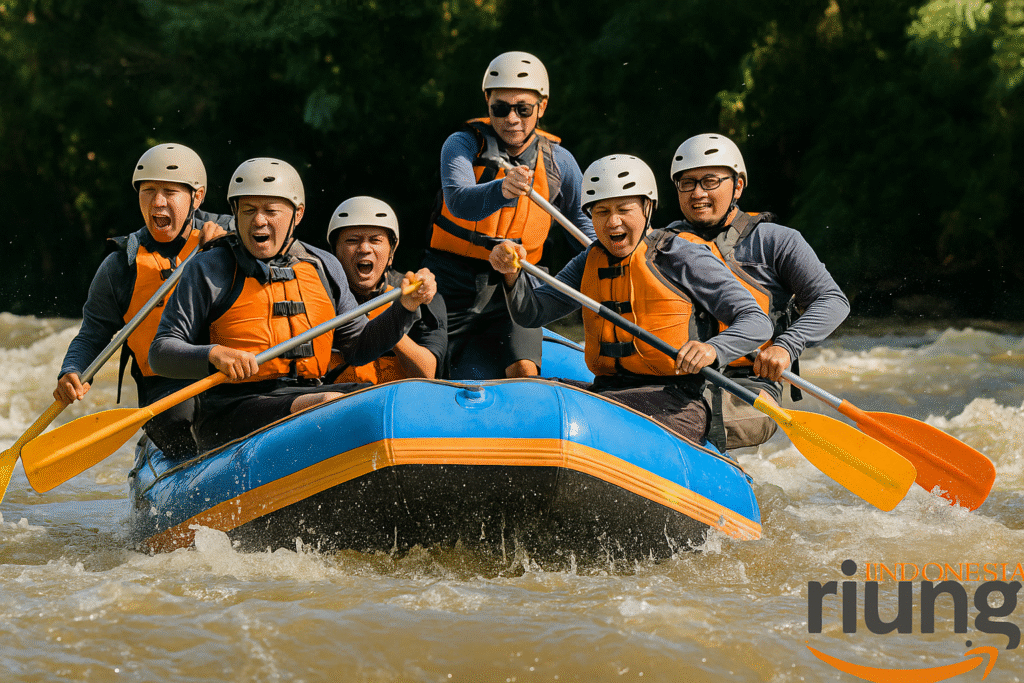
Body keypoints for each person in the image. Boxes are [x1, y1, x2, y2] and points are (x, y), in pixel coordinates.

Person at [149, 158, 436, 451]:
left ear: (297, 215)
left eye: (271, 211)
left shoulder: (324, 266)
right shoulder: (210, 268)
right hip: (234, 408)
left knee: (387, 400)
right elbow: (160, 352)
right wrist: (214, 355)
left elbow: (361, 347)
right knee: (330, 404)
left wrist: (405, 308)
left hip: (311, 393)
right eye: (248, 210)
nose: (259, 220)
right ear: (235, 213)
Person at [488, 154, 773, 445]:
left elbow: (757, 322)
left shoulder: (680, 256)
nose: (613, 222)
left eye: (624, 209)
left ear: (647, 208)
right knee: (526, 395)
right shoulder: (588, 261)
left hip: (677, 400)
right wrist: (511, 274)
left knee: (606, 417)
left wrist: (713, 350)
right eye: (601, 212)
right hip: (610, 391)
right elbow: (531, 313)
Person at [667, 133, 850, 450]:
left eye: (710, 181)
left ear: (737, 186)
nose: (697, 193)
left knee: (679, 416)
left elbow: (832, 301)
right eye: (687, 183)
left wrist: (786, 346)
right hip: (675, 380)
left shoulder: (776, 242)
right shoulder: (661, 245)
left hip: (749, 386)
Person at [423, 50, 596, 379]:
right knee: (429, 370)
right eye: (500, 108)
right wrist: (502, 189)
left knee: (524, 369)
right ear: (487, 103)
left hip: (517, 284)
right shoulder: (461, 144)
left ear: (541, 107)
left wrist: (610, 254)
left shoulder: (559, 162)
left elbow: (581, 225)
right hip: (451, 282)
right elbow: (459, 201)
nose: (511, 119)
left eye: (523, 108)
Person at [54, 143, 232, 457]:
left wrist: (228, 249)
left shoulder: (232, 240)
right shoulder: (120, 267)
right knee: (183, 419)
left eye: (169, 191)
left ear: (197, 196)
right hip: (166, 390)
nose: (157, 202)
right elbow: (92, 334)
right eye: (148, 190)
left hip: (233, 380)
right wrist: (72, 370)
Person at [325, 196, 447, 383]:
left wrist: (392, 318)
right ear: (334, 251)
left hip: (397, 406)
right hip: (339, 407)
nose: (364, 248)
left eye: (375, 240)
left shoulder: (419, 294)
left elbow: (427, 373)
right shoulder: (318, 296)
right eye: (352, 240)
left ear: (391, 251)